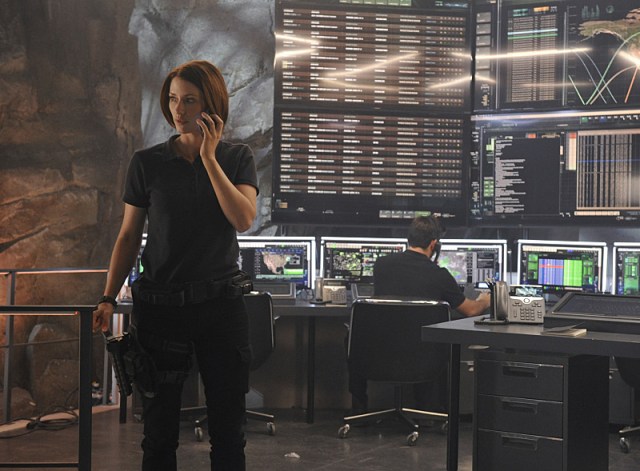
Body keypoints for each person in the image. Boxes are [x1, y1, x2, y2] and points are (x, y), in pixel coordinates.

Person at [93, 60, 258, 471]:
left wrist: (209, 158)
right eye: (172, 99)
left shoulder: (236, 157)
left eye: (189, 101)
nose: (178, 110)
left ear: (211, 105)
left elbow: (242, 218)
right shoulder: (146, 162)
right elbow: (129, 236)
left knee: (229, 434)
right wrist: (108, 297)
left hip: (221, 308)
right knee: (158, 436)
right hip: (161, 310)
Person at [349, 215, 491, 414]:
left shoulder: (382, 265)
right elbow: (471, 310)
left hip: (380, 354)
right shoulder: (439, 275)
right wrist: (485, 300)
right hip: (423, 359)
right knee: (435, 341)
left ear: (409, 239)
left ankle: (359, 409)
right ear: (434, 244)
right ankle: (428, 412)